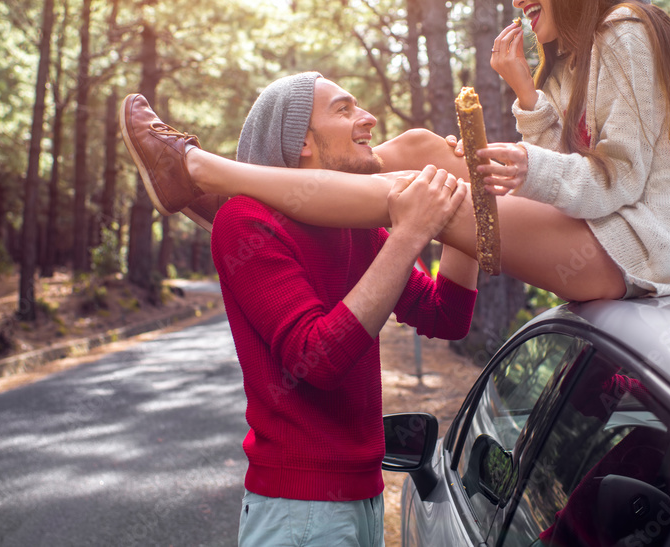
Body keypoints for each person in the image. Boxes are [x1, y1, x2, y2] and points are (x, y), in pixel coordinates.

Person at [122, 0, 670, 304]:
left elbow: (613, 179)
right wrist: (525, 97)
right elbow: (586, 164)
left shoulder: (624, 31)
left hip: (636, 254)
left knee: (417, 192)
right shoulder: (602, 48)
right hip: (614, 237)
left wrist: (527, 165)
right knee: (423, 148)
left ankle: (204, 173)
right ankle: (224, 189)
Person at [120, 73, 478, 547]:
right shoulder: (244, 221)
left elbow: (444, 315)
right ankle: (192, 170)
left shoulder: (358, 226)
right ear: (301, 141)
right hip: (299, 514)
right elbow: (319, 357)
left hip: (366, 498)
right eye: (345, 109)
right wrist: (412, 233)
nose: (368, 119)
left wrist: (467, 197)